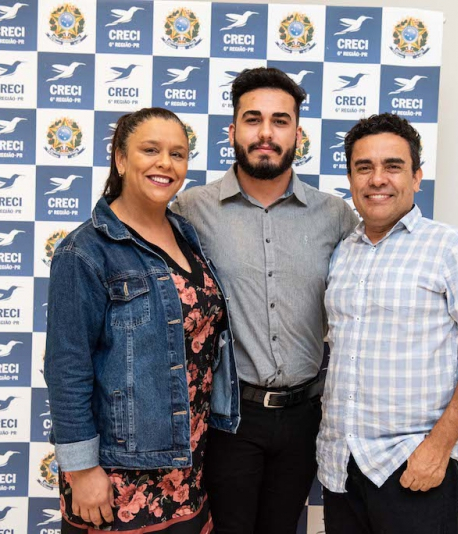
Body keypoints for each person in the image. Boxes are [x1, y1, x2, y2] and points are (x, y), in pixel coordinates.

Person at [171, 67, 358, 534]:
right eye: (253, 119)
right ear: (233, 131)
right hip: (228, 415)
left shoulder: (335, 215)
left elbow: (373, 285)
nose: (266, 133)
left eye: (280, 121)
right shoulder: (190, 210)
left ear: (298, 134)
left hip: (306, 416)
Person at [44, 107, 239, 534]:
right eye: (150, 150)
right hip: (119, 475)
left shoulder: (186, 235)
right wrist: (82, 470)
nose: (165, 163)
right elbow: (66, 367)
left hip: (189, 466)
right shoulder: (84, 251)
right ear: (120, 158)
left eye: (177, 154)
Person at [317, 113, 458, 534]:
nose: (377, 179)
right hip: (341, 467)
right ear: (350, 179)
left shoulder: (452, 248)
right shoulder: (341, 251)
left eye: (393, 166)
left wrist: (439, 449)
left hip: (414, 466)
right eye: (364, 167)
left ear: (417, 177)